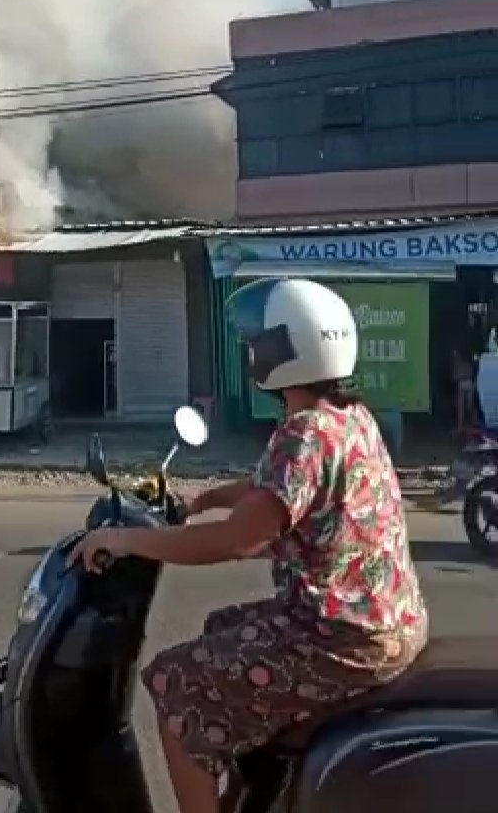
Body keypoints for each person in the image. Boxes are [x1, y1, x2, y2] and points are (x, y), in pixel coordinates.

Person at [68, 277, 428, 813]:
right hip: (382, 621)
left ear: (288, 352)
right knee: (222, 627)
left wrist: (126, 541)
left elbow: (239, 541)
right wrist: (207, 497)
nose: (252, 350)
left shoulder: (304, 433)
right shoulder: (347, 420)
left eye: (261, 341)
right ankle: (260, 790)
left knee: (175, 687)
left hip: (339, 637)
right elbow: (279, 492)